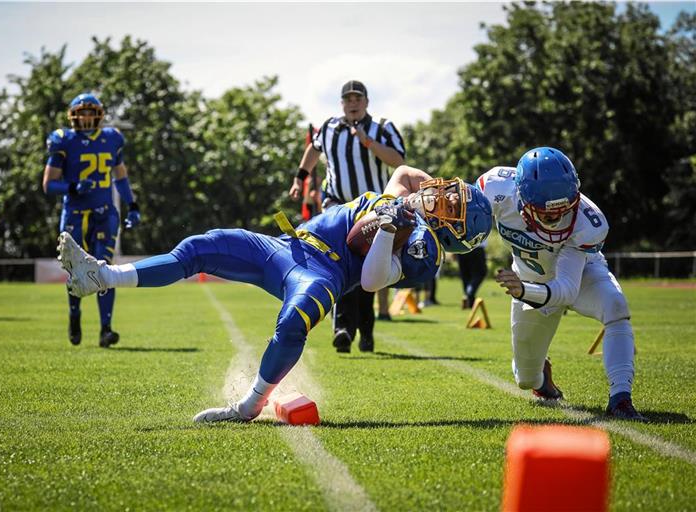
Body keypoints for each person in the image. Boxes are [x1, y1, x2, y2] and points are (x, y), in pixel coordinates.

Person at [58, 165, 492, 423]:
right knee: (199, 247)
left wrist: (390, 229)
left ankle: (248, 406)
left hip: (325, 273)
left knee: (295, 320)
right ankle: (104, 277)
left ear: (453, 232)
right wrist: (407, 198)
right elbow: (403, 173)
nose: (440, 196)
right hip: (287, 246)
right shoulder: (410, 197)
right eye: (446, 191)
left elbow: (373, 280)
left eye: (450, 205)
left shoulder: (424, 251)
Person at [478, 147, 645, 421]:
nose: (558, 220)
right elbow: (468, 214)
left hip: (580, 273)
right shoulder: (496, 188)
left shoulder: (588, 223)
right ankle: (542, 378)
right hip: (529, 278)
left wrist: (522, 291)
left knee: (615, 305)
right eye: (547, 215)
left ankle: (621, 398)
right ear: (522, 199)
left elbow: (567, 290)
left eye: (565, 210)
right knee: (525, 379)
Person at [289, 80, 406, 352]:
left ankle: (366, 329)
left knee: (366, 268)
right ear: (342, 103)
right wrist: (299, 178)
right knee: (339, 263)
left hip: (373, 208)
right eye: (348, 99)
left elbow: (398, 160)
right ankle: (342, 327)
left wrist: (367, 142)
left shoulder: (383, 126)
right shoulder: (330, 127)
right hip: (337, 205)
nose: (353, 103)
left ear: (366, 102)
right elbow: (313, 149)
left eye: (357, 98)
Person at [42, 93, 141, 348]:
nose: (86, 117)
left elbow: (120, 177)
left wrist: (132, 205)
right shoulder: (64, 140)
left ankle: (106, 329)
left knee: (104, 269)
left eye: (90, 112)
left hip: (104, 211)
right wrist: (73, 187)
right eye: (82, 112)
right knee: (76, 269)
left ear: (98, 115)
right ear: (74, 115)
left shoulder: (111, 138)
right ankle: (75, 314)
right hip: (75, 213)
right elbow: (49, 184)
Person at [457, 242, 487, 309]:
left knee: (465, 275)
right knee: (480, 274)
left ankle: (469, 300)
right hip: (477, 248)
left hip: (461, 248)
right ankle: (469, 294)